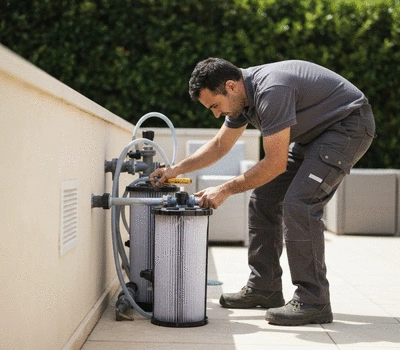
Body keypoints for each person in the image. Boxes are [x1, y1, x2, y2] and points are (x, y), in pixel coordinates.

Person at [149, 58, 376, 326]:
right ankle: (264, 287)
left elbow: (275, 163)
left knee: (300, 204)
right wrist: (175, 170)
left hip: (347, 126)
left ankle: (314, 300)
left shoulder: (271, 91)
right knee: (263, 199)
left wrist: (224, 190)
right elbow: (221, 145)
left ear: (231, 86)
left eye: (214, 105)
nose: (215, 114)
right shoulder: (242, 98)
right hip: (313, 136)